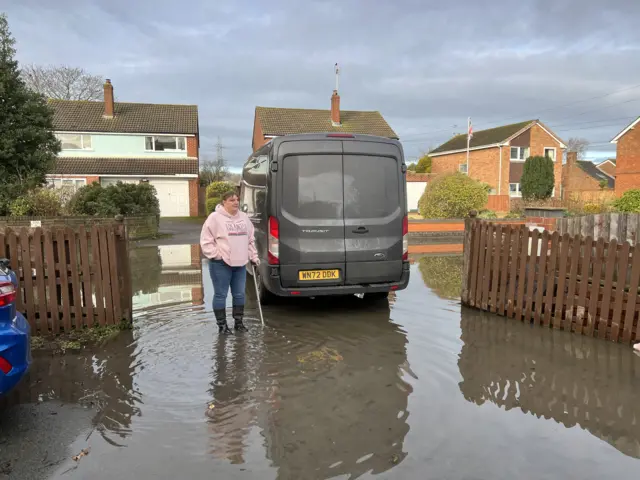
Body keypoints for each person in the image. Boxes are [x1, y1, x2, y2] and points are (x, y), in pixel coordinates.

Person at [200, 191, 259, 334]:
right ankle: (222, 326)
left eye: (237, 199)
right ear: (223, 202)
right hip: (221, 264)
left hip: (240, 264)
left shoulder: (244, 218)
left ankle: (239, 323)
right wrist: (217, 255)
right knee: (221, 295)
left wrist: (253, 256)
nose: (236, 202)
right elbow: (206, 240)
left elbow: (250, 239)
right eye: (232, 200)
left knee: (239, 294)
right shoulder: (214, 218)